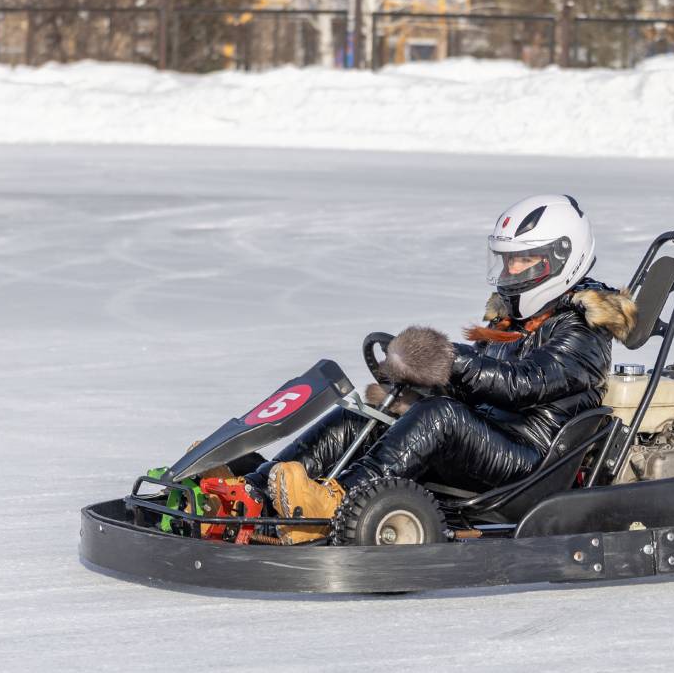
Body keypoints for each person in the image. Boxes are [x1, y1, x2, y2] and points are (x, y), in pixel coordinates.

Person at [246, 194, 638, 543]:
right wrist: (418, 378)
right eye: (508, 259)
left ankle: (335, 505)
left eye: (524, 259)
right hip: (489, 438)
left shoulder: (583, 331)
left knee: (440, 416)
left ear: (561, 258)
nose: (513, 270)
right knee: (368, 412)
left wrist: (448, 358)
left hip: (528, 462)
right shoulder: (515, 321)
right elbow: (477, 386)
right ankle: (258, 491)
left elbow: (524, 384)